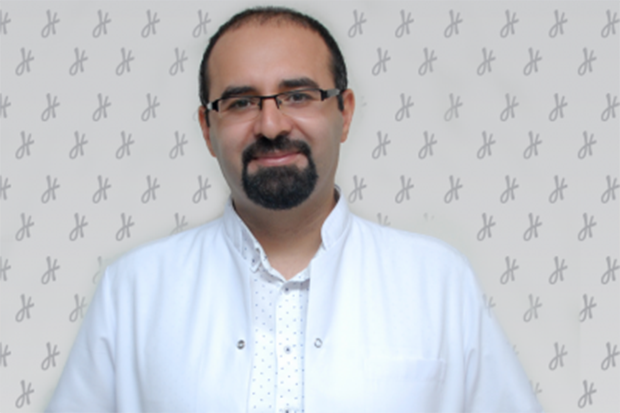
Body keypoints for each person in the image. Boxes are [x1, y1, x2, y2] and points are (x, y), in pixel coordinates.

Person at [46, 7, 544, 413]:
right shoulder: (133, 290)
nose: (271, 124)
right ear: (206, 128)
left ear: (344, 112)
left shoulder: (437, 281)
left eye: (298, 95)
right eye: (241, 103)